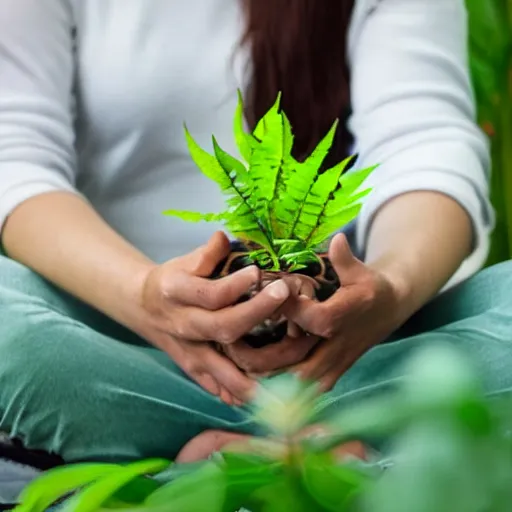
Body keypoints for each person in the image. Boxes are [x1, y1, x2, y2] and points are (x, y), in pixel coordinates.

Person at [0, 0, 511, 464]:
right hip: (117, 343)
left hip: (349, 351)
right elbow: (17, 158)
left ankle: (192, 455)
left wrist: (392, 289)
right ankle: (335, 445)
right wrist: (145, 298)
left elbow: (424, 146)